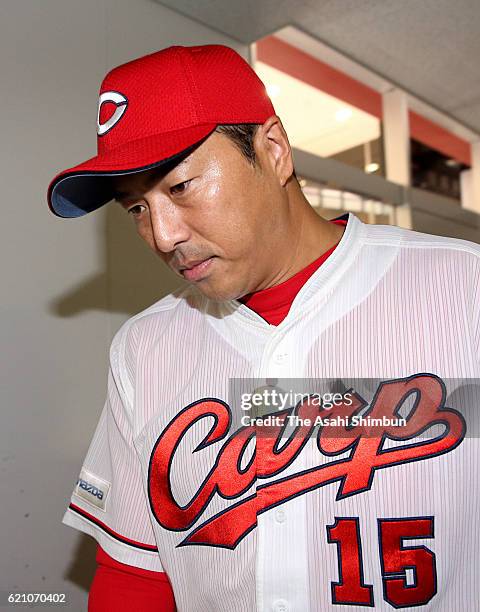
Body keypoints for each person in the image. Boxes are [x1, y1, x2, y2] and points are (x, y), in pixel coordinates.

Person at [48, 44, 480, 611]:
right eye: (136, 209)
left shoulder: (465, 288)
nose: (163, 234)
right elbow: (136, 575)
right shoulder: (144, 347)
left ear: (273, 150)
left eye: (180, 187)